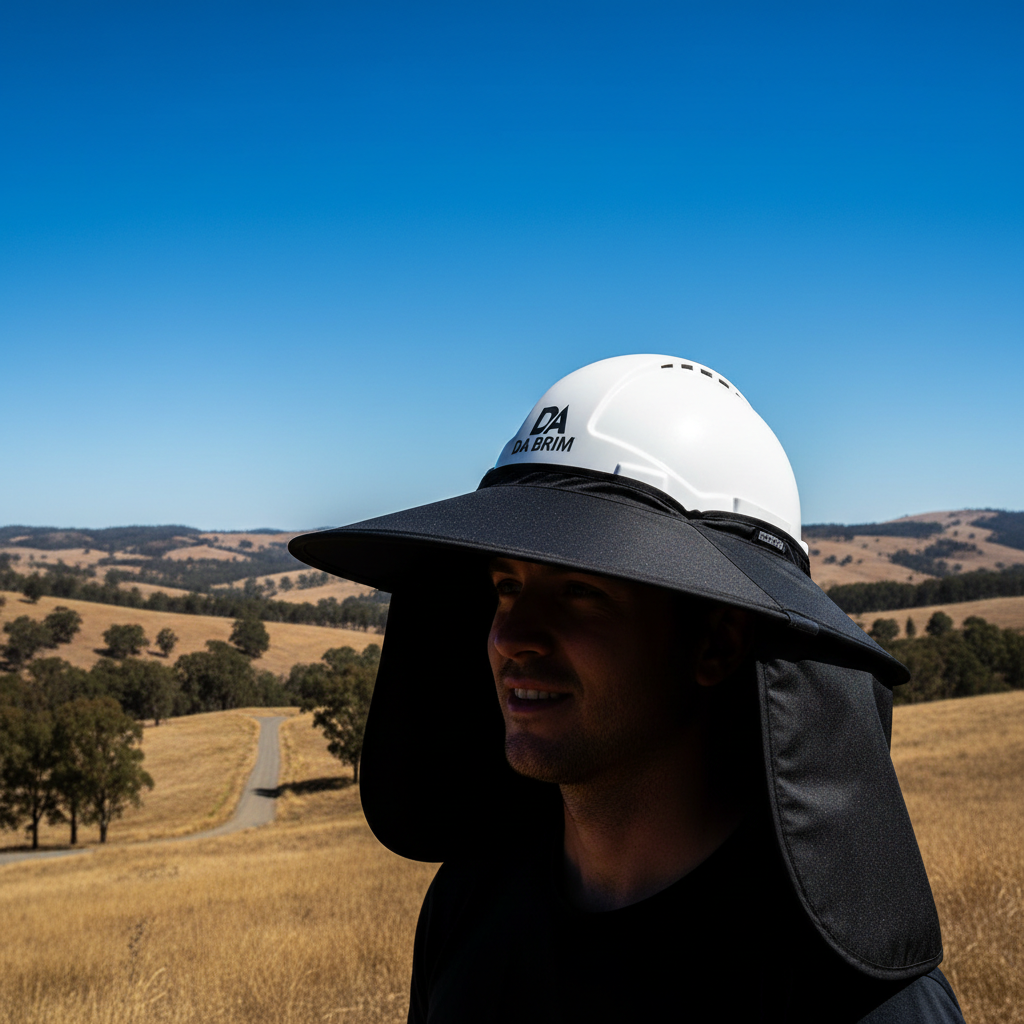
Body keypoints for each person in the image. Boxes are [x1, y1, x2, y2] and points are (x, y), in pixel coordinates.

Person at [289, 354, 965, 1022]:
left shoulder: (849, 998)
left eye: (580, 592)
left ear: (717, 641)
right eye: (506, 586)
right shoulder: (467, 908)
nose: (510, 637)